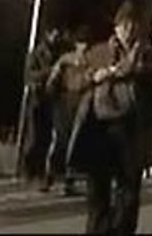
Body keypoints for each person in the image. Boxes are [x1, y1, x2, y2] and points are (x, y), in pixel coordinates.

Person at [66, 3, 152, 235]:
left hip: (132, 128)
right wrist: (94, 76)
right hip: (100, 127)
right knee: (98, 188)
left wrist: (136, 70)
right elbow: (72, 80)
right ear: (116, 27)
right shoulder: (99, 52)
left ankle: (121, 230)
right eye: (124, 25)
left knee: (128, 190)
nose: (128, 30)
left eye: (133, 25)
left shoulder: (146, 52)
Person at [49, 26, 94, 197]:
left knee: (74, 141)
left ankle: (68, 180)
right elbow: (53, 80)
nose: (84, 47)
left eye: (86, 44)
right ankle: (52, 176)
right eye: (81, 43)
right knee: (61, 139)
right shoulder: (66, 60)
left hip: (81, 100)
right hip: (65, 100)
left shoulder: (89, 61)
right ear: (76, 44)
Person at [22, 28, 66, 190]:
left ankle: (44, 173)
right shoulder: (36, 54)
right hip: (37, 99)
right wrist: (50, 71)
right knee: (34, 137)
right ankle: (30, 171)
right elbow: (29, 75)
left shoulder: (60, 52)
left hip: (52, 99)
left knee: (48, 137)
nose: (56, 37)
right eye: (54, 33)